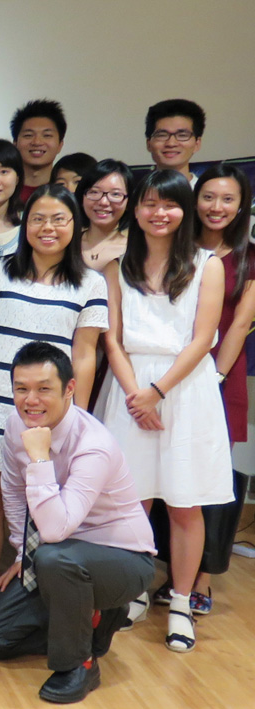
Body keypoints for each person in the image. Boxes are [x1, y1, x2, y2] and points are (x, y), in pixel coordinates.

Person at [0, 184, 108, 615]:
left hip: (50, 407)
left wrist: (77, 412)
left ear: (75, 226)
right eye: (38, 218)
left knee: (40, 494)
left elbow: (85, 353)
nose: (48, 227)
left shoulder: (91, 282)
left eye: (60, 219)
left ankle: (32, 587)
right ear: (25, 224)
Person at [0, 343, 155, 704]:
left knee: (55, 558)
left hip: (121, 561)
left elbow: (57, 529)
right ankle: (89, 625)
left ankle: (79, 665)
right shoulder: (14, 426)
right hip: (58, 559)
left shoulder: (93, 445)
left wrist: (39, 459)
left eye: (44, 389)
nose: (30, 400)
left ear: (70, 388)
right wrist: (23, 554)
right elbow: (12, 492)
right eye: (21, 389)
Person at [97, 169, 232, 653]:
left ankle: (179, 600)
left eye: (170, 205)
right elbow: (110, 337)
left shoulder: (206, 265)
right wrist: (137, 393)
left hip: (184, 390)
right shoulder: (116, 266)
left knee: (185, 502)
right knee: (132, 501)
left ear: (185, 210)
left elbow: (203, 339)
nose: (160, 213)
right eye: (150, 204)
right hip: (128, 387)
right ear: (135, 209)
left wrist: (157, 391)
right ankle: (131, 590)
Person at [173, 165, 255, 614]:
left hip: (219, 374)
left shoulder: (249, 255)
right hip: (166, 372)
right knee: (164, 472)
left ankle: (201, 577)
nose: (216, 207)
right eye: (208, 197)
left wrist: (214, 379)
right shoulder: (174, 247)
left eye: (227, 199)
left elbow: (241, 322)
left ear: (241, 206)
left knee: (208, 479)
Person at [77, 159, 134, 273]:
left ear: (129, 202)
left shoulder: (135, 250)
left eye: (115, 194)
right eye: (94, 192)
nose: (103, 202)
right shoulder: (66, 245)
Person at [10, 99, 66, 203]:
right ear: (15, 144)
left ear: (60, 145)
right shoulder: (1, 190)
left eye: (47, 135)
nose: (37, 142)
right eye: (28, 135)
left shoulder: (67, 191)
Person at [145, 99, 206, 184]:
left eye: (182, 135)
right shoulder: (134, 194)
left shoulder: (206, 194)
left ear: (197, 144)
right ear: (148, 144)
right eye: (162, 135)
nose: (171, 143)